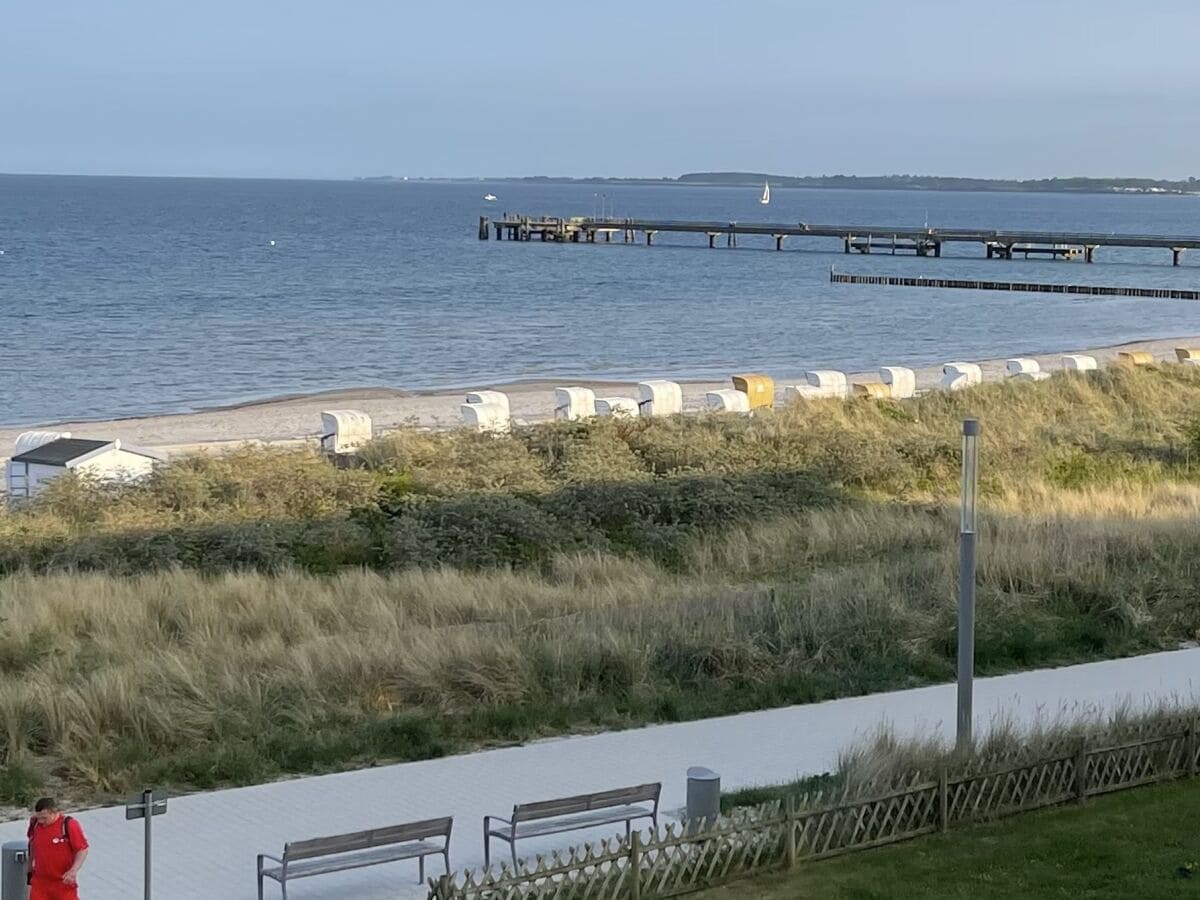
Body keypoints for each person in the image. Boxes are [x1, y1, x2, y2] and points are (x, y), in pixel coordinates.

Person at [27, 798, 88, 900]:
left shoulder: (68, 824)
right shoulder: (35, 823)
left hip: (62, 882)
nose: (41, 821)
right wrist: (29, 870)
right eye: (39, 818)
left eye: (44, 818)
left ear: (54, 813)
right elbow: (32, 844)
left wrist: (73, 870)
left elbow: (82, 850)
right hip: (40, 882)